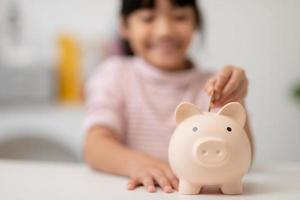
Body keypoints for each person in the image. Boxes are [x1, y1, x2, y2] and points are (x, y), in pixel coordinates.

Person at [83, 0, 253, 193]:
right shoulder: (114, 75)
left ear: (195, 22)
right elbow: (94, 146)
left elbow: (242, 156)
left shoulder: (212, 85)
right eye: (148, 18)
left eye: (180, 17)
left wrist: (235, 98)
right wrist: (139, 164)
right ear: (124, 26)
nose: (165, 31)